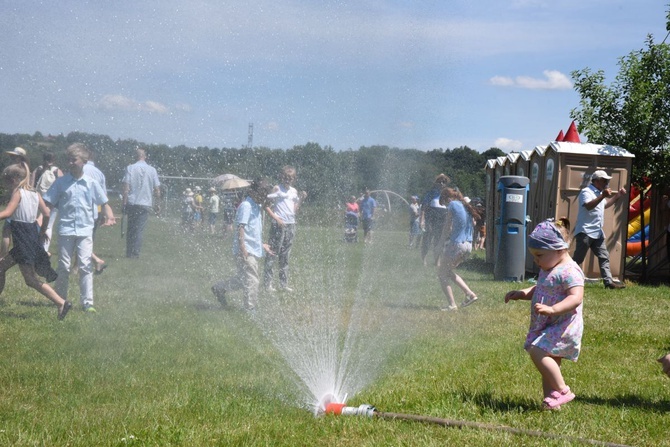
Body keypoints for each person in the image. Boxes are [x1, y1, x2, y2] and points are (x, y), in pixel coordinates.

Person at [505, 218, 584, 410]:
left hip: (563, 324)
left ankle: (563, 390)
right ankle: (551, 401)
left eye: (539, 255)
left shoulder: (570, 271)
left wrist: (552, 309)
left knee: (537, 350)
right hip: (550, 324)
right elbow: (542, 288)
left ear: (559, 249)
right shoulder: (550, 267)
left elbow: (576, 297)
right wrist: (522, 294)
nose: (536, 260)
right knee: (550, 366)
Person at [42, 143, 116, 313]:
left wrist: (109, 216)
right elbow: (47, 203)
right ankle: (60, 300)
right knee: (63, 265)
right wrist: (39, 217)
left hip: (85, 230)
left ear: (83, 161)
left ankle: (87, 302)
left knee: (84, 265)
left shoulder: (91, 183)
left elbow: (104, 203)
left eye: (74, 160)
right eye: (68, 160)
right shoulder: (61, 183)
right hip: (66, 230)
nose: (70, 163)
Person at [0, 163, 71, 320]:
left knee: (30, 279)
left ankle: (61, 302)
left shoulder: (18, 192)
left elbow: (8, 212)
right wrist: (43, 231)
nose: (6, 188)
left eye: (5, 184)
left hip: (23, 238)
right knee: (1, 266)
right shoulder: (34, 193)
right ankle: (61, 303)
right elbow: (46, 213)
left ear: (13, 179)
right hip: (30, 235)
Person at [212, 179, 273, 311]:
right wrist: (243, 248)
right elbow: (240, 228)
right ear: (253, 192)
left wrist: (262, 244)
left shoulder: (256, 206)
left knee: (243, 279)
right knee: (253, 280)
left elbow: (253, 231)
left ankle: (219, 288)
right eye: (263, 194)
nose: (264, 197)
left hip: (252, 249)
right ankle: (250, 308)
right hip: (246, 250)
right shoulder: (246, 206)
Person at [572, 170, 627, 289]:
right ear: (596, 181)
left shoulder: (598, 192)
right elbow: (588, 206)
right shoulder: (586, 192)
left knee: (604, 256)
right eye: (604, 180)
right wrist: (603, 196)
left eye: (607, 180)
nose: (607, 182)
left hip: (597, 232)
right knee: (578, 259)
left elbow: (605, 205)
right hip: (585, 232)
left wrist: (618, 196)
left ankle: (608, 283)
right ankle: (566, 279)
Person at [435, 187, 480, 311]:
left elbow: (447, 228)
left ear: (447, 198)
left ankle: (452, 304)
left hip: (457, 244)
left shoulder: (452, 205)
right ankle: (470, 294)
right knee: (447, 271)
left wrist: (439, 244)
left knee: (441, 273)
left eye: (444, 203)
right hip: (468, 245)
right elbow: (474, 223)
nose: (445, 206)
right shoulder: (465, 206)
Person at [264, 166, 306, 292]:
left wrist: (302, 199)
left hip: (290, 224)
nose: (288, 180)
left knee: (285, 255)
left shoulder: (294, 191)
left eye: (291, 178)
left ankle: (283, 284)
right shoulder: (277, 188)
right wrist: (276, 219)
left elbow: (294, 210)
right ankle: (267, 284)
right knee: (272, 254)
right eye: (286, 177)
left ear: (294, 179)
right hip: (278, 224)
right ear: (282, 177)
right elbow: (266, 205)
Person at [121, 148, 161, 259]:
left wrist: (124, 203)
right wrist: (158, 204)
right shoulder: (152, 170)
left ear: (135, 156)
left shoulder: (130, 168)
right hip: (145, 203)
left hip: (132, 202)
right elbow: (157, 189)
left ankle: (129, 253)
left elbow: (126, 187)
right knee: (139, 230)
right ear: (145, 156)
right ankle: (135, 253)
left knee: (131, 229)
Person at [1, 147, 30, 258]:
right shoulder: (27, 169)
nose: (11, 158)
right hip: (23, 203)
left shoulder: (16, 170)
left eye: (13, 156)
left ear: (19, 157)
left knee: (6, 231)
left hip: (16, 202)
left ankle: (2, 257)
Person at [31, 151, 63, 253]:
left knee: (35, 222)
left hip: (37, 201)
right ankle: (44, 249)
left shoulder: (37, 170)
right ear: (54, 159)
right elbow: (62, 188)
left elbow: (31, 187)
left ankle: (35, 245)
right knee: (48, 225)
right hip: (53, 203)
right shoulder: (57, 171)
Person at [83, 149, 108, 273]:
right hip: (96, 210)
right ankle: (80, 266)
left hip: (83, 209)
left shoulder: (80, 169)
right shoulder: (99, 173)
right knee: (88, 238)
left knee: (81, 239)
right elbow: (103, 196)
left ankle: (95, 261)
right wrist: (104, 214)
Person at [420, 174, 451, 265]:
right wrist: (422, 220)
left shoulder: (447, 195)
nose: (441, 184)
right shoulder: (431, 193)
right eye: (440, 182)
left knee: (439, 240)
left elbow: (450, 209)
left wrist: (450, 223)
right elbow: (424, 207)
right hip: (431, 216)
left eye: (443, 182)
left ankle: (437, 261)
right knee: (428, 237)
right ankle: (424, 260)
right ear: (437, 183)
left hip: (442, 217)